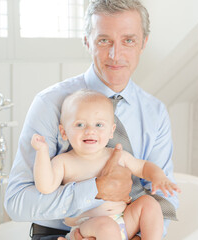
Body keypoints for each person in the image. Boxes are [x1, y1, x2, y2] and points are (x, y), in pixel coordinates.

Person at [4, 0, 179, 239]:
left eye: (128, 40)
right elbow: (16, 203)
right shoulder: (50, 103)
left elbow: (164, 193)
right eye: (104, 40)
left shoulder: (155, 112)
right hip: (63, 233)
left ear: (143, 43)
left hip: (131, 228)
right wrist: (94, 189)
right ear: (87, 42)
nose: (116, 55)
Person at [31, 90, 181, 240]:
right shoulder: (63, 162)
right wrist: (42, 152)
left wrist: (158, 175)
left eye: (99, 124)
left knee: (149, 203)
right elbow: (45, 186)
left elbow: (142, 167)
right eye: (80, 124)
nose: (90, 130)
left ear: (111, 131)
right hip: (89, 227)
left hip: (123, 220)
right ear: (64, 132)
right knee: (106, 226)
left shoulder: (116, 155)